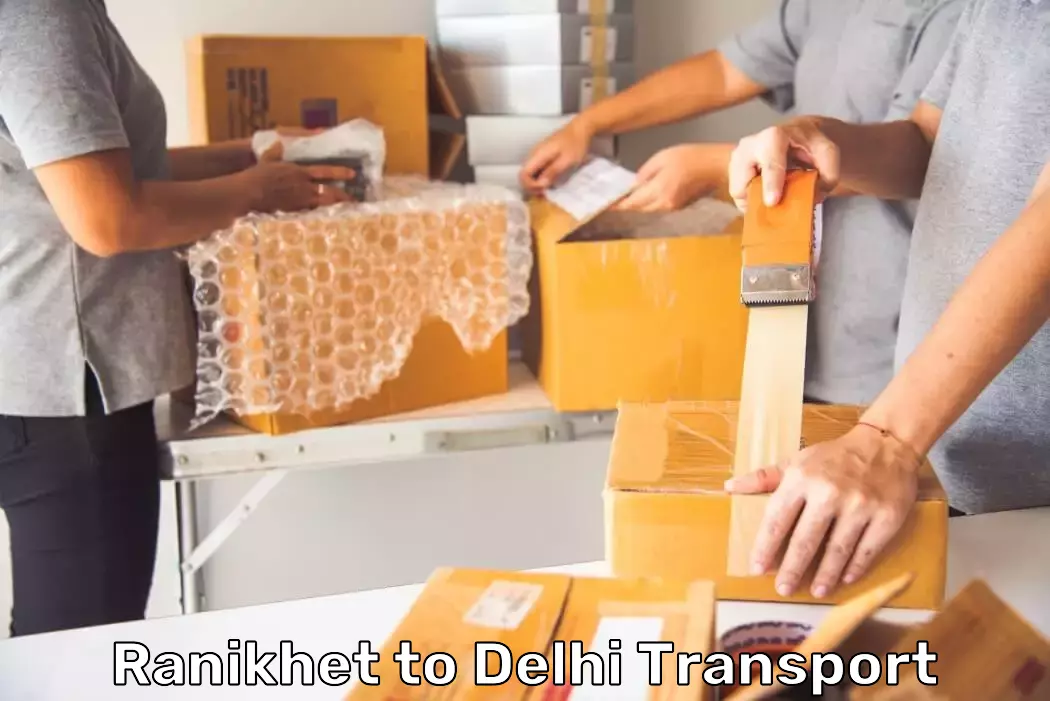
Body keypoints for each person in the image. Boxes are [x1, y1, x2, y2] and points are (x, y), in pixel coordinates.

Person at [0, 0, 355, 636]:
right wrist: (257, 191)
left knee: (63, 641)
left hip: (38, 374)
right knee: (78, 652)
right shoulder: (37, 14)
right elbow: (109, 219)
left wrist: (248, 157)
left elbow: (105, 169)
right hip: (65, 391)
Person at [724, 0, 1050, 601]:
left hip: (1032, 489)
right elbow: (932, 141)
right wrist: (822, 142)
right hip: (948, 457)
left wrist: (890, 439)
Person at [521, 0, 966, 408]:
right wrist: (587, 125)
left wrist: (722, 165)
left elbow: (915, 154)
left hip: (885, 349)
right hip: (792, 330)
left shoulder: (964, 14)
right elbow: (724, 71)